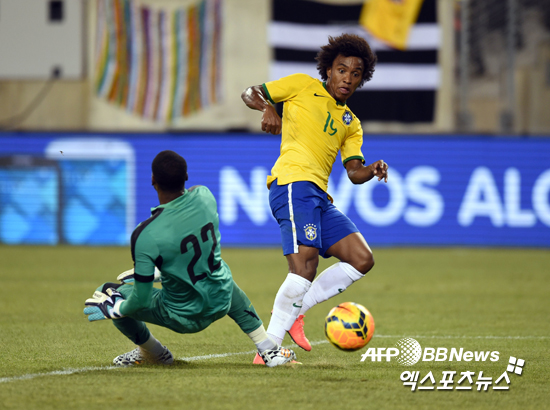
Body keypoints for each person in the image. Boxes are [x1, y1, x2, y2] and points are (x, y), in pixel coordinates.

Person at [241, 33, 388, 360]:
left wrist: (372, 168)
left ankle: (296, 313)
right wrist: (267, 108)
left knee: (362, 259)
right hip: (293, 183)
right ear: (328, 70)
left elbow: (353, 171)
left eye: (355, 73)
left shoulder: (351, 123)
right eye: (341, 70)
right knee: (304, 268)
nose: (347, 78)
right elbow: (249, 92)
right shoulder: (301, 85)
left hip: (319, 196)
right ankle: (269, 350)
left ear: (362, 79)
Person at [83, 150, 297, 367]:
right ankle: (268, 350)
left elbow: (141, 299)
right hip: (222, 300)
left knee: (109, 292)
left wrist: (116, 309)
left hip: (182, 316)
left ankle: (154, 353)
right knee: (218, 273)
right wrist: (163, 271)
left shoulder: (145, 234)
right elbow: (193, 249)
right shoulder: (205, 197)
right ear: (186, 177)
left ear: (153, 180)